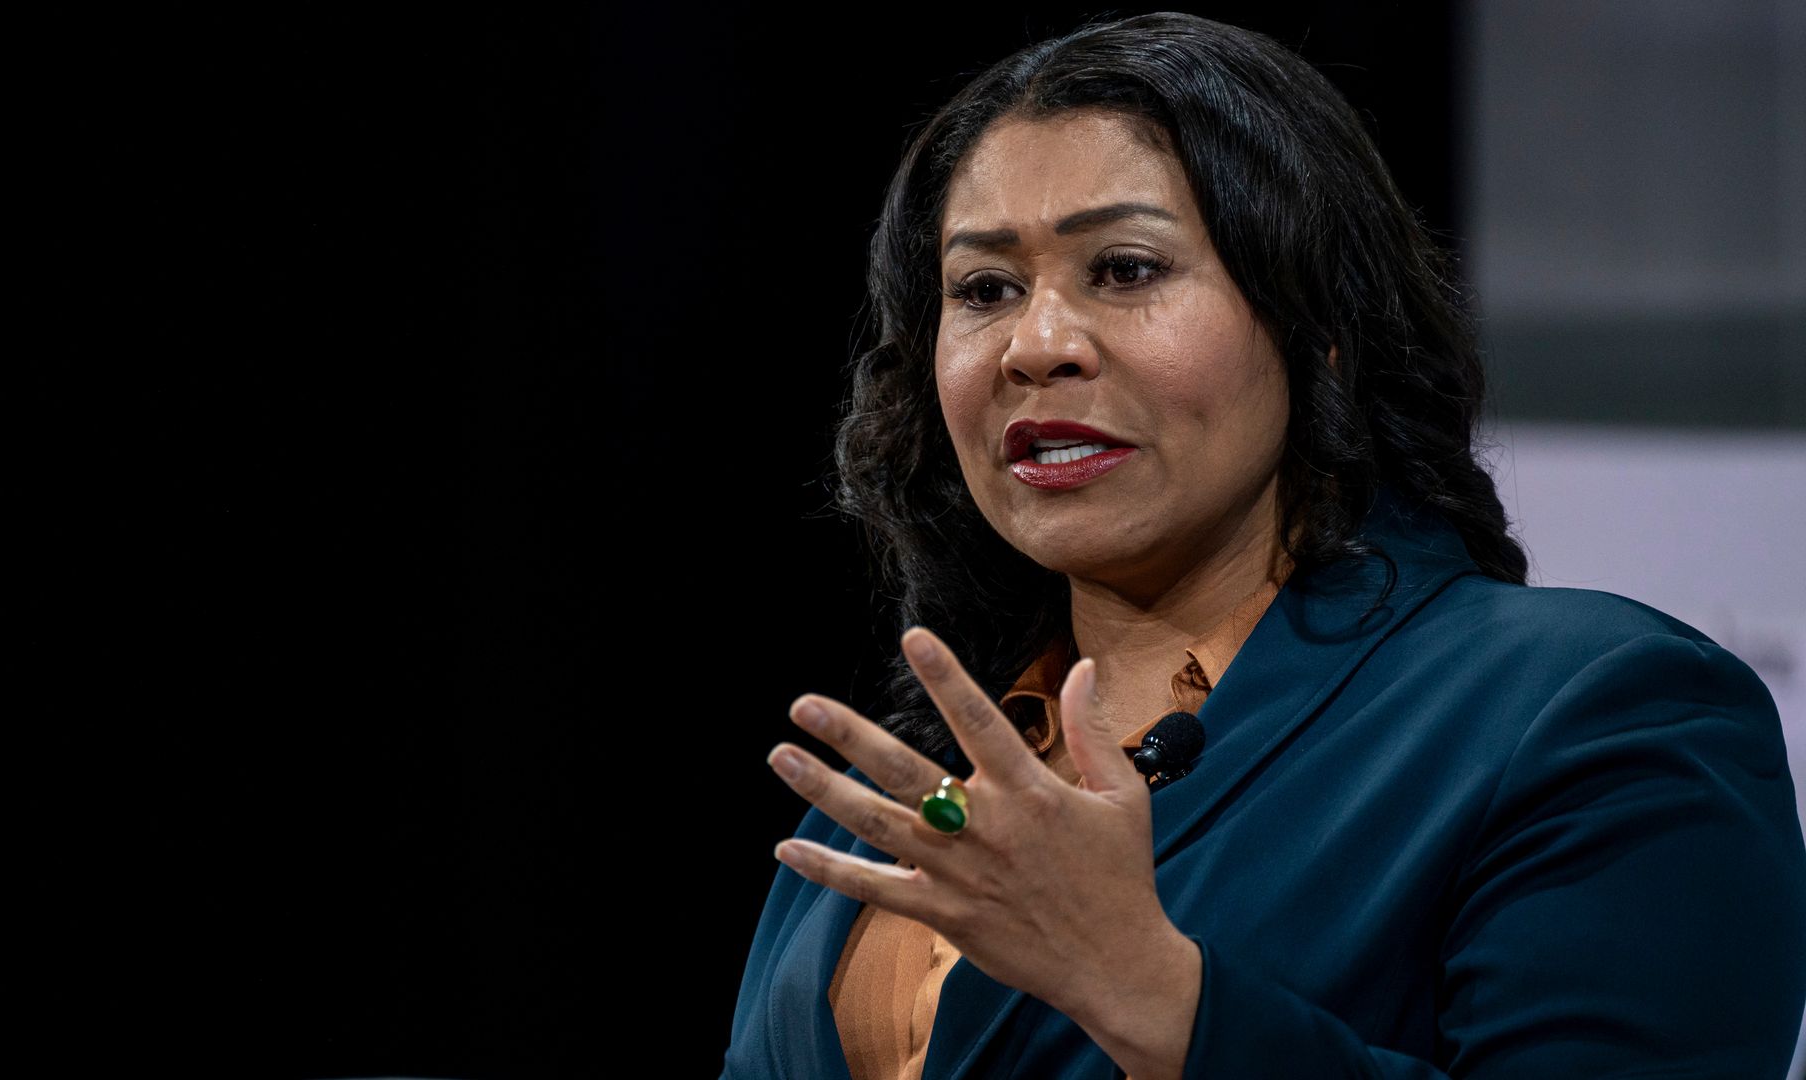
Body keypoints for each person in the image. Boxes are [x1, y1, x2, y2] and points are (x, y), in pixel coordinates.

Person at [720, 12, 1806, 1079]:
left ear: (1320, 329)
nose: (1036, 346)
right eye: (985, 289)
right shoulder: (900, 798)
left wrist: (1149, 992)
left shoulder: (1592, 712)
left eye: (1127, 269)